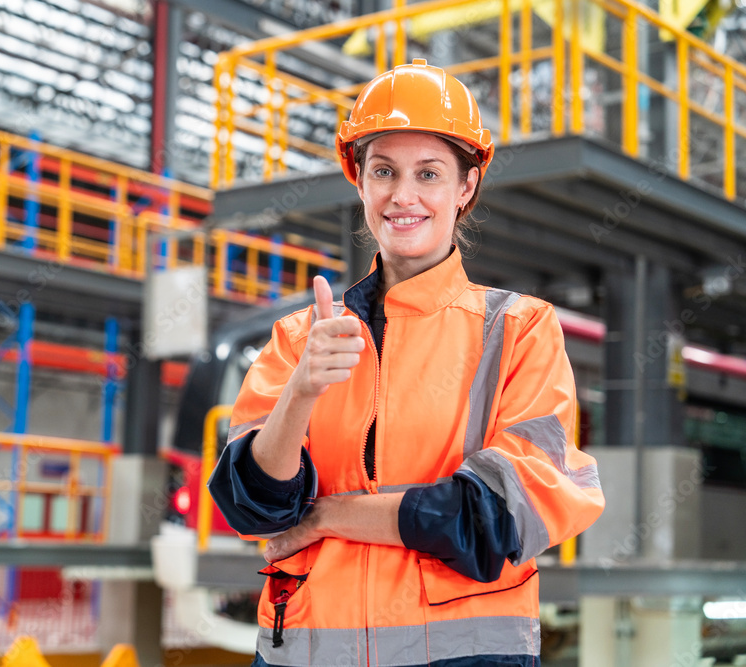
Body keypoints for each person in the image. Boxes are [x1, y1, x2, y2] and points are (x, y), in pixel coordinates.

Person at [207, 59, 605, 667]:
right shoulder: (300, 338)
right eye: (384, 171)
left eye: (430, 173)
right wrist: (303, 390)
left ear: (466, 187)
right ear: (359, 181)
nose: (404, 195)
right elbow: (254, 508)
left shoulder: (519, 331)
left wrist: (329, 516)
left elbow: (489, 523)